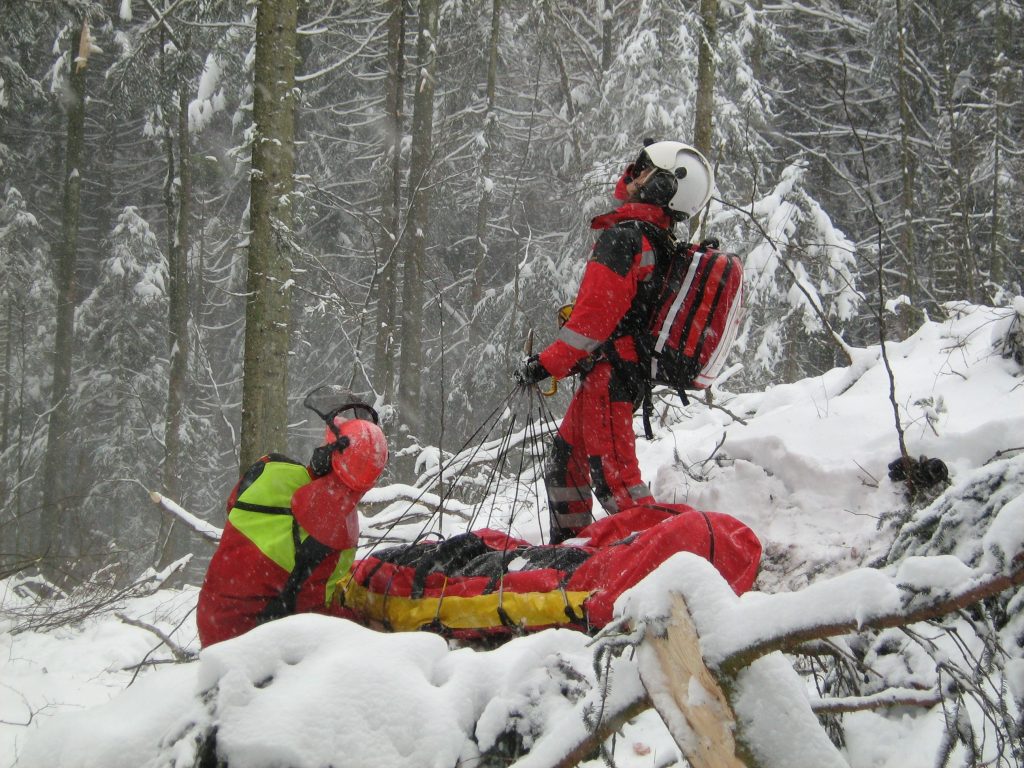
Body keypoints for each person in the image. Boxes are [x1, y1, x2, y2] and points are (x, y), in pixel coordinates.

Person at [515, 139, 715, 544]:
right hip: (612, 374)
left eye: (643, 167)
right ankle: (571, 550)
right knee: (565, 463)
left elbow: (590, 324)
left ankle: (669, 552)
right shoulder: (653, 238)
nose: (632, 171)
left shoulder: (626, 239)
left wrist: (544, 364)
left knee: (617, 483)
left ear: (662, 186)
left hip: (612, 376)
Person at [197, 392, 388, 646]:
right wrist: (361, 623)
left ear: (325, 455)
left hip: (211, 619)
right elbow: (314, 613)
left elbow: (233, 504)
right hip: (245, 645)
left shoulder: (269, 468)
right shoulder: (334, 539)